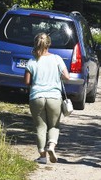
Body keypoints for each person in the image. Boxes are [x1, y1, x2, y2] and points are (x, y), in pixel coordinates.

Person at [25, 32, 69, 164]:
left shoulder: (32, 61)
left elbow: (27, 81)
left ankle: (42, 156)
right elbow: (67, 77)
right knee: (54, 125)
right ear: (49, 44)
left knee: (40, 127)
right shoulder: (57, 59)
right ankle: (51, 146)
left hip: (37, 97)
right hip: (54, 97)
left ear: (35, 44)